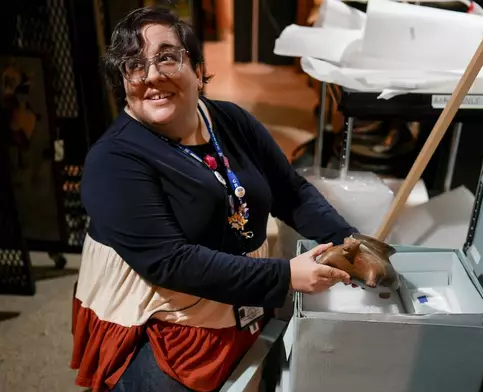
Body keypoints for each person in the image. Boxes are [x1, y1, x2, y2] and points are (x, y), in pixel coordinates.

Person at [70, 6, 357, 392]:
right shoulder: (113, 161)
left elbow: (291, 192)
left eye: (167, 57)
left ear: (199, 69)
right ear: (123, 82)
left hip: (242, 304)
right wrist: (285, 275)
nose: (152, 75)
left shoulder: (228, 120)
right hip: (169, 330)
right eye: (134, 65)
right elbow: (172, 263)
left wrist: (349, 242)